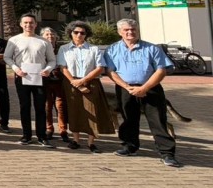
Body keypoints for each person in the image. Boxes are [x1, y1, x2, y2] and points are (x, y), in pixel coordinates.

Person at [102, 18, 181, 167]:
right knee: (128, 119)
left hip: (150, 89)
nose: (130, 32)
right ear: (120, 32)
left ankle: (167, 153)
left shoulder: (152, 48)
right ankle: (129, 146)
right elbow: (110, 71)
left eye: (133, 29)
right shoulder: (112, 50)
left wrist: (144, 88)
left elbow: (161, 70)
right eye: (126, 30)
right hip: (125, 89)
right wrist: (126, 86)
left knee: (157, 120)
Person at [58, 21, 117, 153]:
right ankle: (75, 140)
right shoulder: (64, 49)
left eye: (82, 33)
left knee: (92, 110)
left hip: (91, 83)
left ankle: (91, 142)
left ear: (86, 34)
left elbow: (100, 67)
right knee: (74, 111)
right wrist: (74, 81)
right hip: (71, 83)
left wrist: (84, 80)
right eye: (76, 32)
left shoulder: (93, 49)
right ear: (70, 33)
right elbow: (63, 67)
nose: (79, 35)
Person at [3, 14, 57, 147]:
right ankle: (26, 135)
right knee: (24, 106)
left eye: (31, 23)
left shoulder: (44, 42)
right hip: (22, 77)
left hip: (40, 78)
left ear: (35, 24)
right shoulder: (14, 40)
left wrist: (48, 70)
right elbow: (7, 57)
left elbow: (52, 59)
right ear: (21, 24)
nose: (28, 25)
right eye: (25, 23)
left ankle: (42, 136)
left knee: (40, 107)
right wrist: (16, 69)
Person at [40, 27, 69, 143]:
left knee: (61, 106)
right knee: (47, 106)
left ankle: (63, 130)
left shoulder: (62, 49)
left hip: (59, 81)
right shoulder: (40, 48)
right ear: (42, 37)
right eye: (47, 35)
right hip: (45, 81)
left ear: (56, 37)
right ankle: (49, 129)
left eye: (52, 35)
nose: (50, 37)